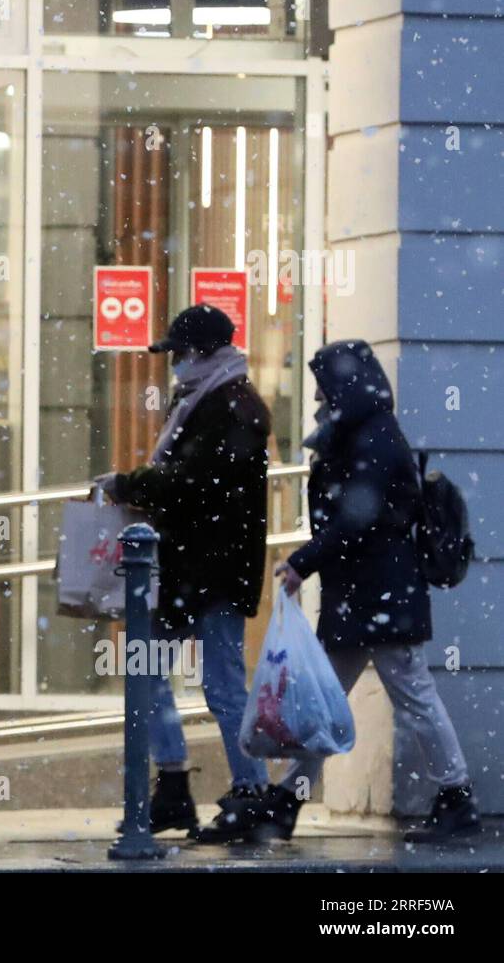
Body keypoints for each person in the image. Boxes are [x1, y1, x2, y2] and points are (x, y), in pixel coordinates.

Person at [261, 340, 480, 843]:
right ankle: (286, 802)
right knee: (326, 701)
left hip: (379, 596)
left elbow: (355, 520)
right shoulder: (363, 433)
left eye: (322, 382)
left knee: (412, 696)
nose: (316, 393)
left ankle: (457, 799)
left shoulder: (374, 438)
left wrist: (302, 562)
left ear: (344, 384)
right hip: (366, 596)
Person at [101, 304, 272, 842]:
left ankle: (249, 793)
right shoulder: (207, 398)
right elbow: (189, 481)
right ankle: (175, 785)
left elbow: (193, 484)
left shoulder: (229, 406)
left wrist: (130, 486)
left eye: (179, 353)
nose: (174, 364)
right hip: (190, 566)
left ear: (202, 354)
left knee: (220, 685)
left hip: (211, 570)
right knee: (150, 672)